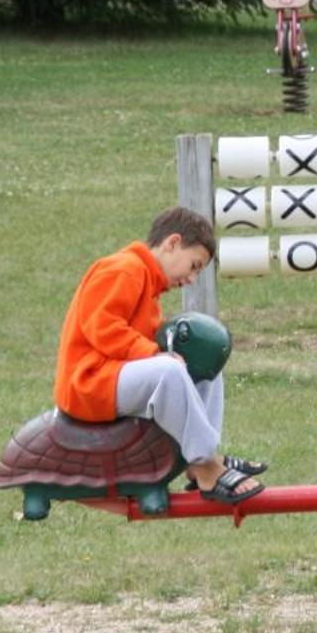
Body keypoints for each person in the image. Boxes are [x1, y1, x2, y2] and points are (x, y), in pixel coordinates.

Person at [54, 206, 265, 505]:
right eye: (194, 265)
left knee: (205, 367)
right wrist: (154, 354)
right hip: (90, 383)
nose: (192, 278)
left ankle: (202, 460)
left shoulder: (149, 287)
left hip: (113, 377)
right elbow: (101, 326)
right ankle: (207, 466)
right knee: (168, 370)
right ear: (172, 243)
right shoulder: (123, 269)